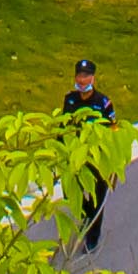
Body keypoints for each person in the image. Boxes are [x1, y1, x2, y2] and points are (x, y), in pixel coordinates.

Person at [57, 57, 120, 253]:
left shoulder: (103, 103)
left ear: (93, 78)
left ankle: (93, 237)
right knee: (70, 192)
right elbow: (63, 127)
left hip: (97, 159)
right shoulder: (70, 99)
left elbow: (113, 132)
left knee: (97, 197)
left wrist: (115, 164)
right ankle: (87, 215)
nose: (82, 80)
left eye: (86, 76)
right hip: (76, 157)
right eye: (79, 76)